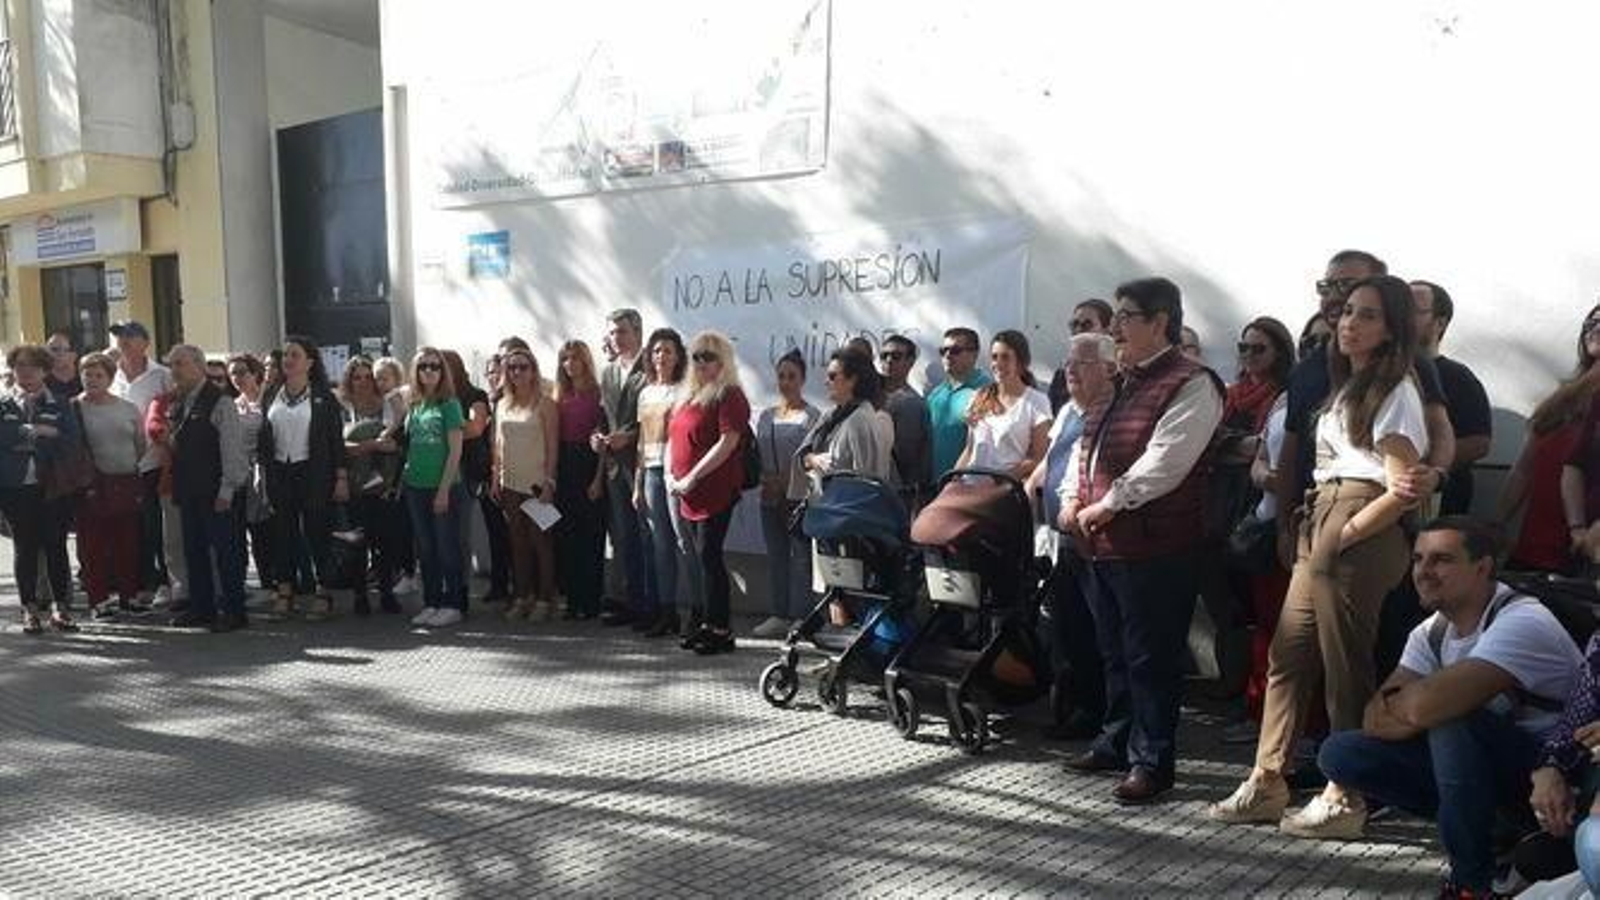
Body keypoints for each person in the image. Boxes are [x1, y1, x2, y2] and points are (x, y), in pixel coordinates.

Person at [1209, 274, 1430, 832]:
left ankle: (1346, 791)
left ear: (1393, 328)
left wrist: (1349, 530)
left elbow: (1401, 487)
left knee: (1344, 664)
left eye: (1369, 315)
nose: (1350, 322)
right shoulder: (1345, 385)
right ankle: (1267, 779)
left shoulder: (1394, 389)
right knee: (1288, 655)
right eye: (1348, 311)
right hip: (1323, 513)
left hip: (1356, 518)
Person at [1316, 518, 1580, 897]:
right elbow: (1373, 717)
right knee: (1341, 752)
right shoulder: (1432, 631)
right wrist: (1416, 707)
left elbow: (1424, 709)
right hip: (1488, 771)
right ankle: (1497, 834)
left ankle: (1470, 882)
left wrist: (1415, 707)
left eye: (1441, 560)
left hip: (1554, 773)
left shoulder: (1522, 620)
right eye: (1418, 559)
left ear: (1483, 568)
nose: (1424, 572)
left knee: (1453, 723)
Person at [1057, 276, 1224, 804]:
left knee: (1151, 657)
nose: (1115, 328)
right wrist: (1071, 500)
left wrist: (1108, 504)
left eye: (1126, 317)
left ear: (1160, 322)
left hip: (1157, 546)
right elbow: (1086, 446)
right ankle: (1116, 740)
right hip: (1102, 545)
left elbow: (1166, 463)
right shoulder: (1120, 380)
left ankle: (1152, 761)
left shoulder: (1192, 381)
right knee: (1114, 651)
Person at [1273, 250, 1457, 576]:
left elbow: (1439, 430)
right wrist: (1284, 527)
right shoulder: (1311, 367)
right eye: (1326, 286)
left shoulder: (1407, 366)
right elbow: (1291, 446)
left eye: (1347, 285)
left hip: (1368, 511)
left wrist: (1437, 473)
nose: (1335, 295)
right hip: (1312, 511)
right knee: (1296, 627)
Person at [1033, 332, 1117, 737]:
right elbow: (1048, 464)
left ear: (1109, 369)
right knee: (1070, 627)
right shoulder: (1068, 411)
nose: (1070, 370)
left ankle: (1106, 718)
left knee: (1101, 630)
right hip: (1060, 536)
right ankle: (1083, 709)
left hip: (1097, 537)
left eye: (1081, 363)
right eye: (1069, 362)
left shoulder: (1113, 412)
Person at [667, 331, 751, 655]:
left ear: (723, 361)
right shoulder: (688, 395)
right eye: (697, 356)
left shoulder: (730, 395)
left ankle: (721, 629)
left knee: (709, 556)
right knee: (699, 558)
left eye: (709, 357)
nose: (702, 363)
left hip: (715, 488)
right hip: (687, 490)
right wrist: (677, 479)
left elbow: (728, 442)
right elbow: (675, 438)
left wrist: (692, 476)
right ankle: (702, 622)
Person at [1500, 304, 1600, 572]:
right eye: (1591, 322)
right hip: (1533, 547)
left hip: (1584, 553)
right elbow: (1523, 469)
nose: (1595, 328)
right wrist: (1496, 524)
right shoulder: (1562, 398)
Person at [259, 337, 348, 620]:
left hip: (313, 473)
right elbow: (264, 438)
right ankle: (285, 590)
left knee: (316, 532)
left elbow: (336, 442)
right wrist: (263, 473)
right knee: (283, 534)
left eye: (295, 355)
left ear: (309, 362)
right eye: (285, 355)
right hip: (280, 473)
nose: (288, 360)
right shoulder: (271, 393)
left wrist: (341, 477)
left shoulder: (323, 397)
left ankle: (324, 591)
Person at [162, 344, 249, 632]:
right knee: (194, 552)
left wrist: (227, 489)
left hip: (217, 492)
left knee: (227, 553)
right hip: (189, 490)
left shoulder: (220, 402)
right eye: (172, 364)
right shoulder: (178, 402)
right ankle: (203, 609)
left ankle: (235, 611)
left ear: (199, 366)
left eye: (181, 364)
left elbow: (233, 450)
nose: (175, 370)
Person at [0, 345, 83, 633]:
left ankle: (61, 608)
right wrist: (34, 432)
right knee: (25, 547)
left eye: (33, 366)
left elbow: (72, 441)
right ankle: (29, 608)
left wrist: (52, 434)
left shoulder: (61, 403)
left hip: (53, 485)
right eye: (20, 365)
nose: (25, 371)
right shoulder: (3, 403)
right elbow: (3, 437)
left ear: (45, 371)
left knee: (56, 545)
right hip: (15, 487)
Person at [632, 329, 695, 638]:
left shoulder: (683, 391)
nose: (662, 356)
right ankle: (665, 611)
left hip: (676, 473)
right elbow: (642, 440)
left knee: (684, 542)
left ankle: (698, 609)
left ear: (678, 356)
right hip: (651, 472)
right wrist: (637, 481)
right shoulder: (645, 393)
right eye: (657, 351)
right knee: (659, 546)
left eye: (668, 351)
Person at [76, 352, 148, 619]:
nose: (92, 380)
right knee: (93, 545)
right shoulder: (74, 408)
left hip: (126, 481)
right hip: (92, 485)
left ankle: (129, 596)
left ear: (109, 378)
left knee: (127, 543)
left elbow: (140, 444)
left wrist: (128, 468)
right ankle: (99, 599)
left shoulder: (127, 408)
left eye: (98, 375)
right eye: (87, 374)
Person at [753, 348, 820, 638]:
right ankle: (778, 613)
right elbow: (757, 454)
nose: (786, 382)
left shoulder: (811, 416)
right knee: (776, 554)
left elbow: (812, 457)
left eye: (792, 376)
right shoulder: (766, 416)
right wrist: (763, 479)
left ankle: (801, 616)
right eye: (781, 376)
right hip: (769, 495)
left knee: (801, 557)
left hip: (796, 496)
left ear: (802, 379)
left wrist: (787, 480)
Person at [1411, 280, 1492, 516]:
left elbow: (1479, 442)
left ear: (1439, 322)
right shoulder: (1377, 374)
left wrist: (1428, 465)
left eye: (1413, 310)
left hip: (1439, 503)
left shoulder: (1458, 377)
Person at [491, 346, 560, 621]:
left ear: (533, 371)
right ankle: (523, 595)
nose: (517, 372)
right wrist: (495, 478)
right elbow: (497, 444)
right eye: (512, 368)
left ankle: (545, 599)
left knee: (540, 542)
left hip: (535, 484)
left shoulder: (545, 404)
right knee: (517, 542)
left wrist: (550, 482)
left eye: (523, 367)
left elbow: (553, 447)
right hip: (510, 483)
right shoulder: (502, 404)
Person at [402, 348, 468, 628]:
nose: (429, 371)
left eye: (435, 366)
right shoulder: (415, 404)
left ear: (443, 372)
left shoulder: (449, 404)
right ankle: (432, 601)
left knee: (446, 547)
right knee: (426, 549)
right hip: (414, 486)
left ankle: (453, 603)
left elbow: (455, 452)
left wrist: (443, 491)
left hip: (444, 487)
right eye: (423, 366)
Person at [108, 320, 173, 602]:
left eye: (129, 336)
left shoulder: (163, 375)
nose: (122, 341)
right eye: (119, 337)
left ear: (145, 342)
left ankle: (162, 581)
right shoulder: (109, 375)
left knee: (155, 525)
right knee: (128, 524)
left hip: (153, 461)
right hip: (117, 464)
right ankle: (135, 581)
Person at [596, 308, 649, 627]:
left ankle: (647, 601)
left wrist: (628, 437)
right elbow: (603, 417)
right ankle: (627, 599)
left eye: (623, 331)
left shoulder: (650, 369)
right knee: (622, 534)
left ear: (637, 333)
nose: (617, 338)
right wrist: (598, 438)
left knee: (645, 533)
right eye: (613, 332)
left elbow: (657, 417)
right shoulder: (608, 372)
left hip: (641, 461)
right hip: (615, 465)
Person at [340, 355, 403, 615]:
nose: (364, 382)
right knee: (357, 542)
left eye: (368, 376)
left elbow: (398, 442)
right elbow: (339, 447)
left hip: (383, 485)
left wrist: (388, 445)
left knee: (385, 541)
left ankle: (386, 592)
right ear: (349, 379)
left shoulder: (387, 404)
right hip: (353, 485)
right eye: (357, 377)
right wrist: (373, 445)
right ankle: (360, 595)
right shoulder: (342, 406)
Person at [443, 349, 504, 608]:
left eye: (441, 367)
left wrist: (442, 432)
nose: (435, 372)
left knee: (475, 534)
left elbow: (476, 428)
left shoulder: (474, 396)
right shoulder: (436, 397)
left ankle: (472, 589)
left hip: (471, 472)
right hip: (439, 472)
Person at [553, 340, 609, 620]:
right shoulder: (559, 395)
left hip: (590, 465)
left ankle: (591, 600)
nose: (570, 363)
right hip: (564, 466)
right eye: (565, 358)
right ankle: (572, 599)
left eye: (575, 358)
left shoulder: (599, 394)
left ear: (586, 360)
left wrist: (598, 479)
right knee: (567, 536)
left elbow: (603, 440)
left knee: (592, 536)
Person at [795, 348, 896, 494]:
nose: (826, 382)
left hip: (845, 511)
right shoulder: (830, 415)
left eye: (832, 376)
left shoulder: (860, 419)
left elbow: (867, 481)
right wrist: (814, 460)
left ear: (852, 380)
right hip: (824, 507)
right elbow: (803, 452)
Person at [954, 329, 1050, 479]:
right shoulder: (979, 396)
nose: (998, 363)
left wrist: (1002, 480)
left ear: (1021, 362)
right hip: (971, 484)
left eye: (1005, 357)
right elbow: (970, 450)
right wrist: (953, 480)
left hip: (1007, 489)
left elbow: (1038, 457)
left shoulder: (1037, 402)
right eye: (994, 357)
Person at [227, 353, 273, 592]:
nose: (237, 378)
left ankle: (275, 581)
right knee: (244, 531)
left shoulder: (269, 401)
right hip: (240, 475)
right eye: (233, 373)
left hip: (265, 472)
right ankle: (252, 582)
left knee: (266, 531)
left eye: (242, 372)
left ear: (255, 373)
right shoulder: (233, 406)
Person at [374, 354, 417, 594]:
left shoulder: (394, 396)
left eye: (384, 377)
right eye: (377, 378)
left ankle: (408, 572)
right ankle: (403, 571)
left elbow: (401, 420)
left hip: (397, 462)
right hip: (391, 460)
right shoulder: (388, 397)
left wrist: (386, 434)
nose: (380, 383)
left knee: (402, 521)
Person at [927, 327, 993, 480]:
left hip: (970, 488)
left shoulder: (988, 392)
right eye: (943, 351)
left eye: (955, 350)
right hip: (935, 486)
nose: (948, 355)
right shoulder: (936, 394)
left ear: (974, 354)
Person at [878, 335, 932, 508]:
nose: (888, 360)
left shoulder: (911, 403)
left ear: (910, 361)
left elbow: (906, 458)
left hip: (893, 495)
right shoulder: (868, 396)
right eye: (884, 355)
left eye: (896, 356)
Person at [1048, 298, 1115, 411]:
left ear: (1107, 330)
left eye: (1087, 325)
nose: (1078, 329)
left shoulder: (1117, 374)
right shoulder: (1061, 376)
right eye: (1074, 324)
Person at [44, 331, 82, 401]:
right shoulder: (42, 375)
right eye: (54, 349)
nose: (60, 354)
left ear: (73, 354)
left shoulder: (83, 372)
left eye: (65, 350)